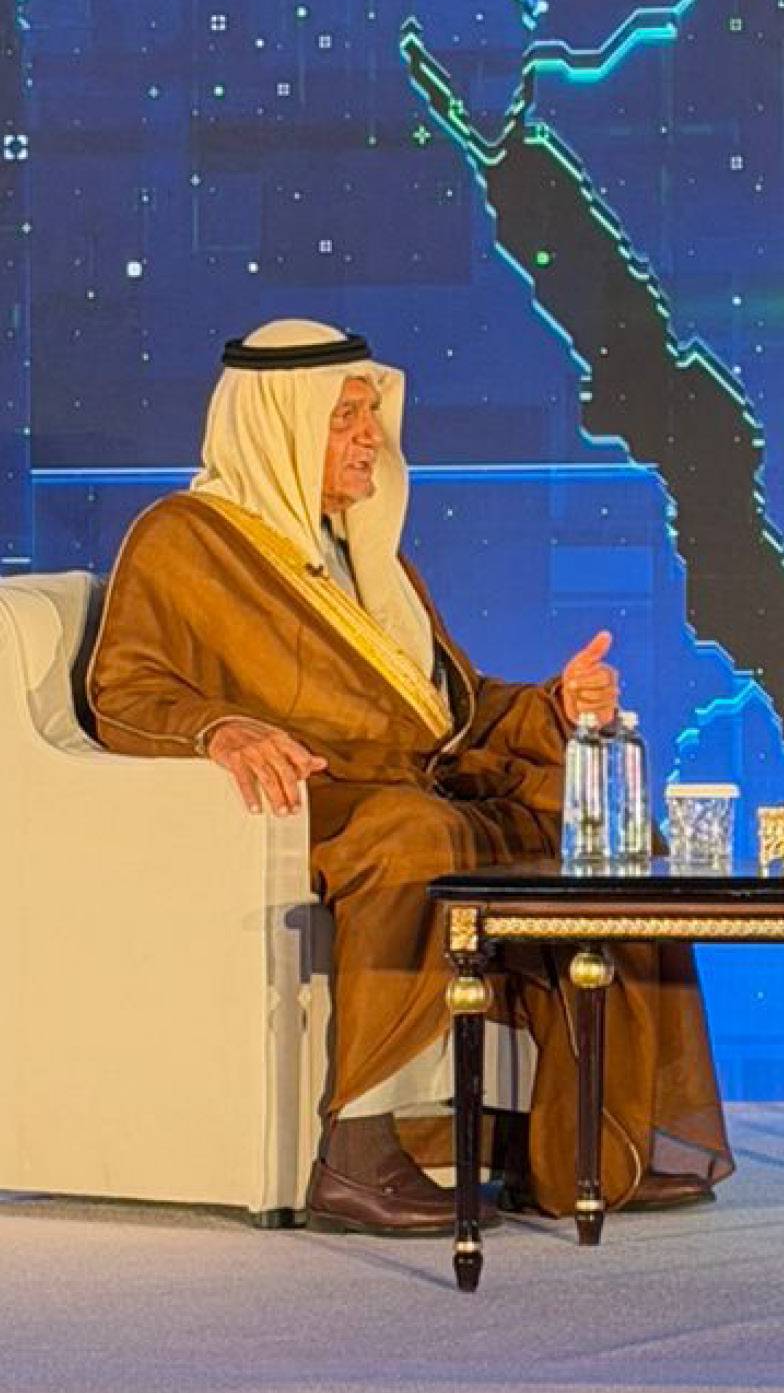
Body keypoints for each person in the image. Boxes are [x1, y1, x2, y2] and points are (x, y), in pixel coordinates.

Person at [89, 319, 734, 1235]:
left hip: (408, 786)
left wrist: (553, 706)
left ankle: (581, 1138)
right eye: (344, 418)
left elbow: (451, 708)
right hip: (314, 801)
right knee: (415, 837)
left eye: (372, 416)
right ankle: (356, 1152)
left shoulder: (365, 553)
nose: (371, 438)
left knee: (595, 822)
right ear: (278, 424)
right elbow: (125, 688)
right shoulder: (185, 540)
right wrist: (218, 727)